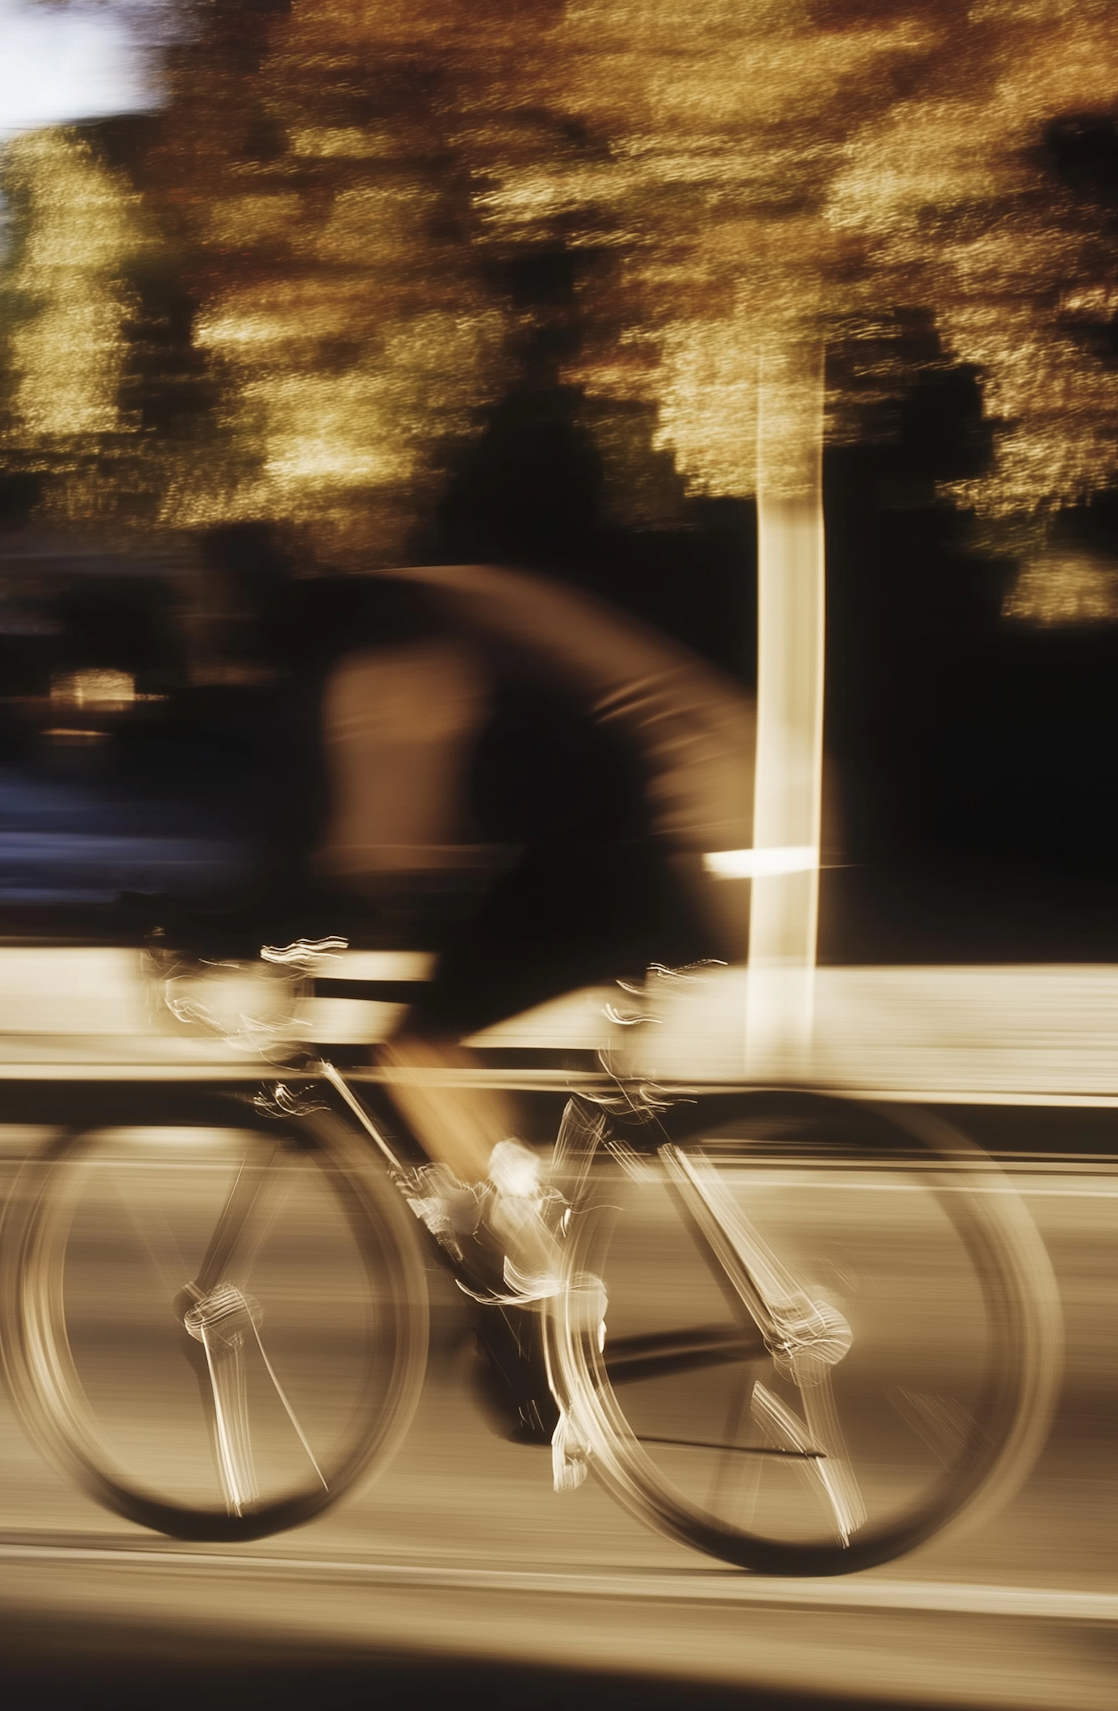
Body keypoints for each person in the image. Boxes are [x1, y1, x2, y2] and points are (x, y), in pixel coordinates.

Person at [143, 556, 756, 1466]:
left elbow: (375, 845)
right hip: (682, 832)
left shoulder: (392, 641)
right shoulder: (449, 607)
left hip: (629, 857)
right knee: (431, 1051)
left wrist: (225, 929)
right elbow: (403, 850)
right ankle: (533, 1287)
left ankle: (542, 1302)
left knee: (414, 1046)